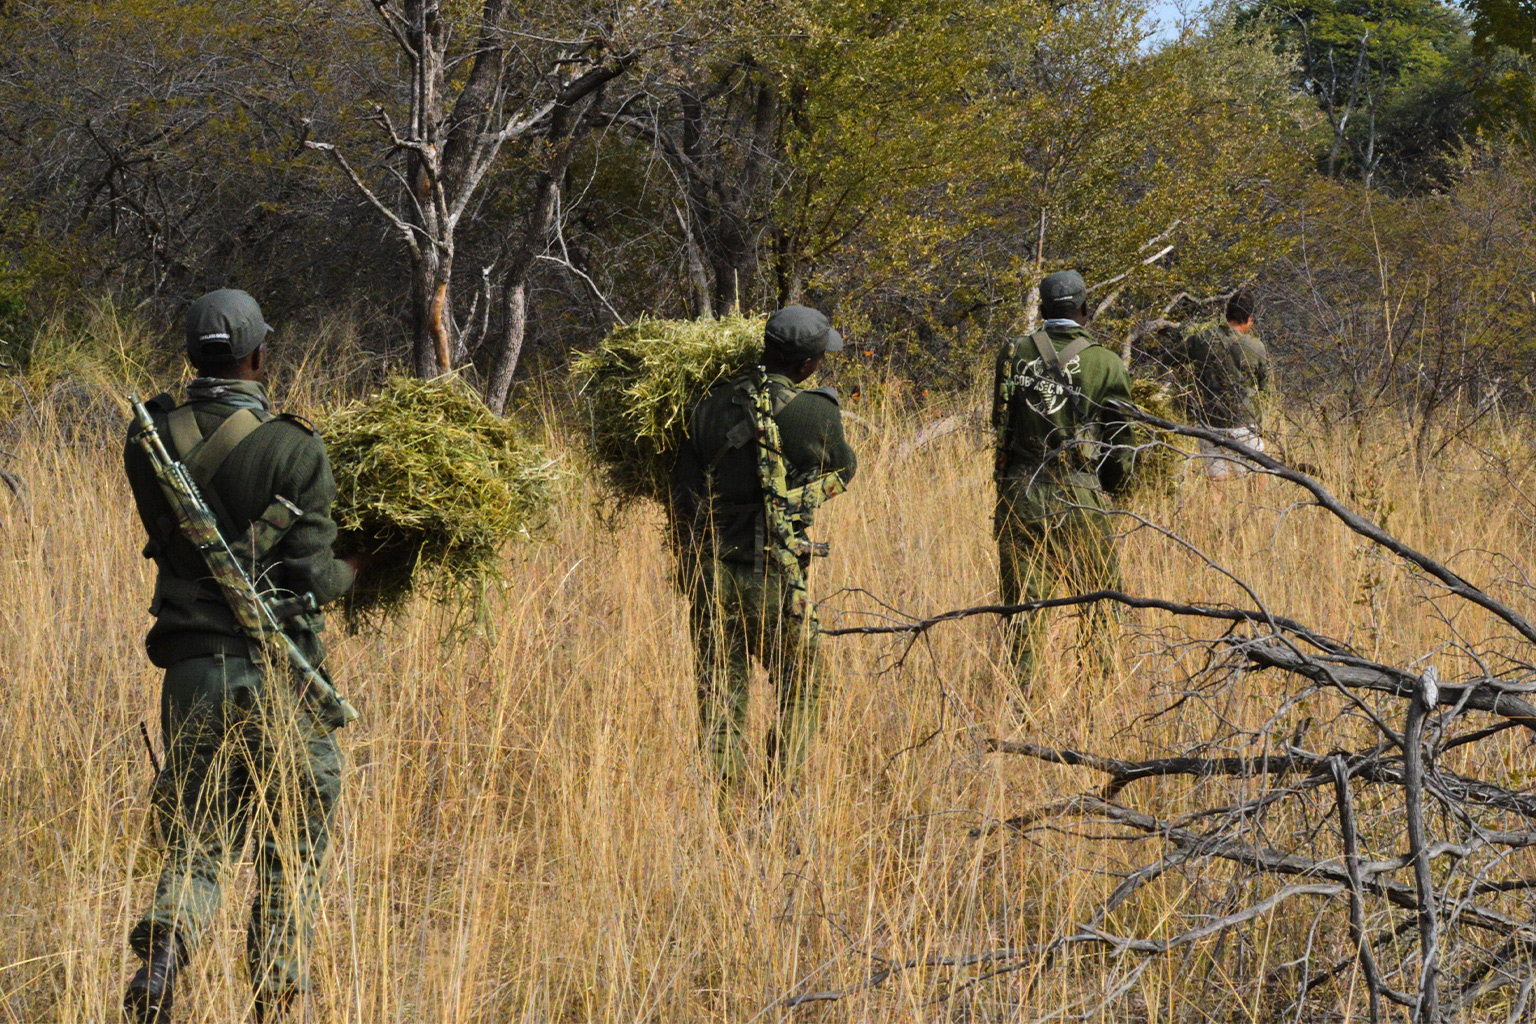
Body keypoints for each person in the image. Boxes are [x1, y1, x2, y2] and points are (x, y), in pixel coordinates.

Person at [122, 289, 378, 1024]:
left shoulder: (147, 440)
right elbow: (317, 578)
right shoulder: (295, 448)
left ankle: (163, 954)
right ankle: (274, 987)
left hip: (192, 667)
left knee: (198, 830)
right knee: (292, 833)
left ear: (190, 353)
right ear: (258, 355)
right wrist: (366, 564)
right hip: (279, 673)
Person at [671, 305, 857, 792]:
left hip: (710, 573)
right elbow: (846, 469)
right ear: (805, 366)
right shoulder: (817, 412)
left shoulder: (706, 407)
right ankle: (780, 790)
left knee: (720, 695)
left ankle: (725, 807)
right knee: (802, 681)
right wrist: (796, 500)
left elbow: (682, 497)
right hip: (774, 575)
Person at [992, 270, 1136, 693]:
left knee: (1022, 605)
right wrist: (1108, 488)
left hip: (1020, 489)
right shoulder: (1105, 362)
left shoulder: (1013, 352)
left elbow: (999, 421)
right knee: (1101, 599)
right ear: (1084, 311)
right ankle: (1096, 696)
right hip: (1078, 491)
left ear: (1041, 307)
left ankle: (1021, 700)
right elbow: (1121, 443)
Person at [1174, 290, 1271, 483]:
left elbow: (1169, 360)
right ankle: (1258, 513)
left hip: (1209, 422)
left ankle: (1215, 514)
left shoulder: (1200, 340)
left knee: (1217, 483)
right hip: (1244, 422)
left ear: (1226, 313)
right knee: (1256, 478)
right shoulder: (1255, 346)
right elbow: (1264, 387)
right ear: (1249, 319)